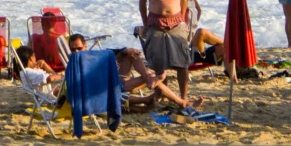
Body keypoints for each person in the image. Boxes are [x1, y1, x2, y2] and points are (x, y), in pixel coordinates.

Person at [69, 34, 202, 110]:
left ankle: (148, 78)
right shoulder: (75, 63)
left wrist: (125, 51)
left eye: (78, 48)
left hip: (114, 79)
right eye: (72, 49)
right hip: (109, 88)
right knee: (152, 80)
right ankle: (181, 102)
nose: (75, 52)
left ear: (85, 46)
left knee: (131, 55)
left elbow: (110, 55)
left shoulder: (92, 55)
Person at [138, 0, 191, 104]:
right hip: (155, 21)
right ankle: (162, 95)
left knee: (182, 62)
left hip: (176, 21)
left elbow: (184, 0)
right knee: (159, 63)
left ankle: (183, 97)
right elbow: (142, 3)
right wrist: (145, 23)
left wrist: (183, 20)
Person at [186, 0, 231, 75]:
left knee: (224, 47)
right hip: (190, 54)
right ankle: (228, 44)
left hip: (199, 53)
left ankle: (234, 74)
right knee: (201, 32)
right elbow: (199, 10)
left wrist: (195, 22)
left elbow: (199, 10)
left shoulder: (189, 0)